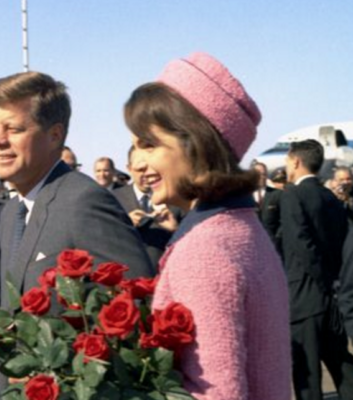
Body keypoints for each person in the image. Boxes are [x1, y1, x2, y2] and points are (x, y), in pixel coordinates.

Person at [125, 52, 291, 400]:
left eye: (149, 144)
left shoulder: (205, 249)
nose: (137, 163)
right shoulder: (241, 228)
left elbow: (218, 392)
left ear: (195, 144)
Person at [0, 71, 153, 399]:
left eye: (14, 129)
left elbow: (136, 308)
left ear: (54, 135)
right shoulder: (11, 213)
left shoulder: (83, 201)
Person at [280, 139, 353, 400]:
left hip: (304, 298)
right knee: (343, 369)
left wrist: (321, 280)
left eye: (288, 160)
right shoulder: (331, 198)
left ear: (296, 161)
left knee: (307, 377)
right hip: (331, 297)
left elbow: (301, 244)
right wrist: (332, 284)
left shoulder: (292, 196)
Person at [114, 145, 178, 265]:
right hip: (130, 273)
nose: (148, 174)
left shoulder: (175, 197)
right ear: (129, 168)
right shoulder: (113, 199)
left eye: (151, 167)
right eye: (141, 169)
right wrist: (125, 225)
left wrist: (175, 229)